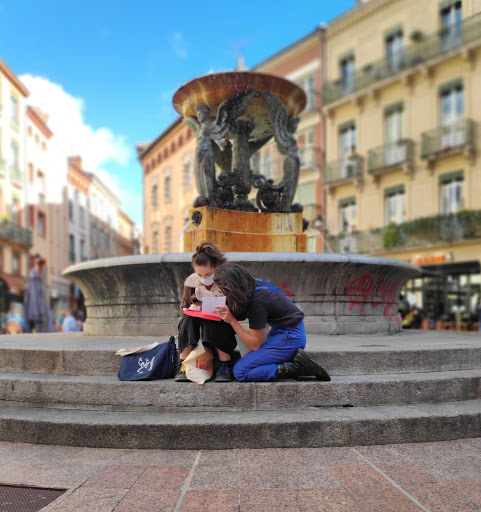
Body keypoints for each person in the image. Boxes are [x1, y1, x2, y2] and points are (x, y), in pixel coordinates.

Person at [213, 263, 331, 382]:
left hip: (290, 338)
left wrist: (232, 321)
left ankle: (296, 368)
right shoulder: (253, 285)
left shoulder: (257, 302)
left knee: (241, 371)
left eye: (223, 292)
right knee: (247, 361)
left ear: (232, 289)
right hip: (283, 333)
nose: (223, 296)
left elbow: (254, 345)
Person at [176, 241, 237, 382]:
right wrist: (190, 309)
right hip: (196, 329)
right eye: (199, 274)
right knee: (187, 318)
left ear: (216, 267)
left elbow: (237, 308)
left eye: (208, 274)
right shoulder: (190, 283)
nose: (204, 278)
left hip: (220, 326)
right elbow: (183, 307)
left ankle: (225, 364)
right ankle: (183, 363)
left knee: (213, 317)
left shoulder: (226, 281)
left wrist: (225, 308)